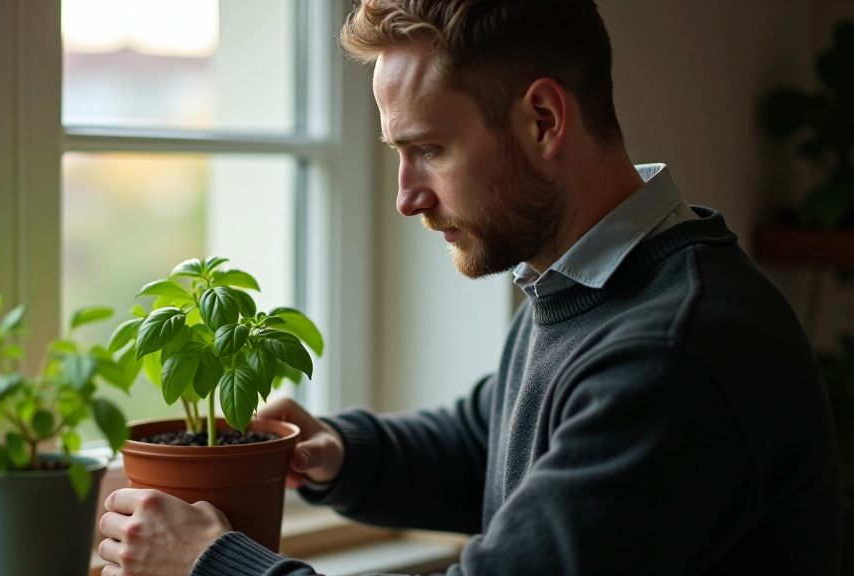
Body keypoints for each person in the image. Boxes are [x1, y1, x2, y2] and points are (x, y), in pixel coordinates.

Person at [97, 1, 844, 574]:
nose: (407, 197)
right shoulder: (584, 281)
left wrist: (209, 562)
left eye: (428, 149)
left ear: (543, 120)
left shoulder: (677, 351)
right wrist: (341, 452)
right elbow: (490, 439)